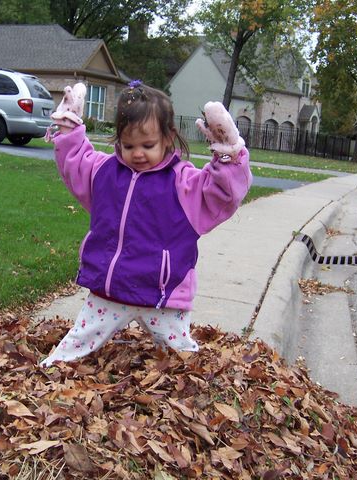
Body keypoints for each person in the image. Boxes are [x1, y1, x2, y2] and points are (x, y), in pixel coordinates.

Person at [40, 80, 252, 367]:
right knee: (75, 345)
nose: (137, 153)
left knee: (183, 358)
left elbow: (221, 193)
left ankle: (200, 383)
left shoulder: (184, 183)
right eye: (128, 145)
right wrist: (69, 126)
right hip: (108, 291)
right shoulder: (104, 172)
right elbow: (75, 162)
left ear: (168, 137)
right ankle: (49, 371)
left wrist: (228, 153)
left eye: (148, 145)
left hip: (162, 295)